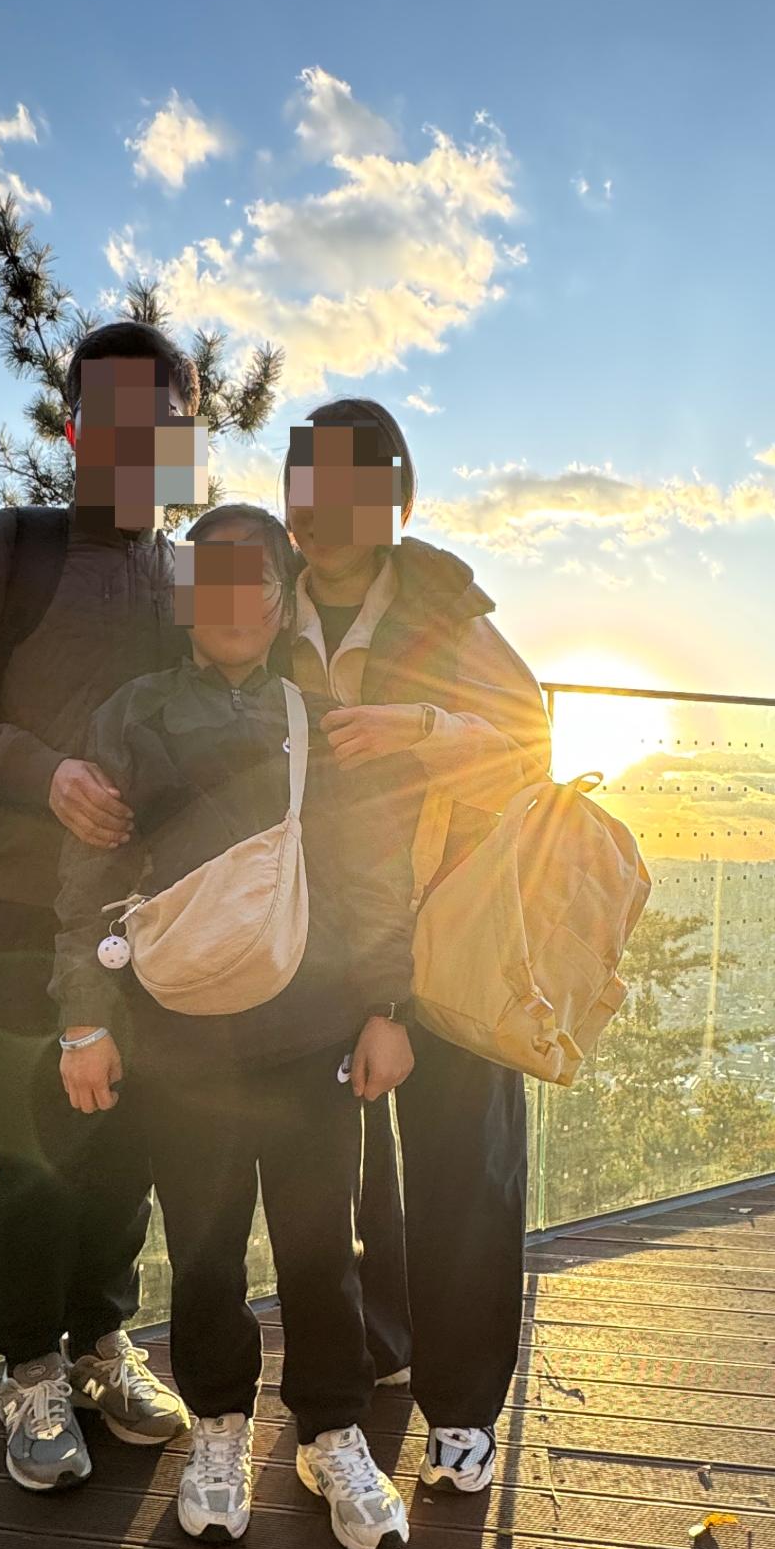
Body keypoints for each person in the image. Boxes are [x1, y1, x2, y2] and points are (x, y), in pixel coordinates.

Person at [53, 505, 416, 1549]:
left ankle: (332, 1431)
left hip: (311, 1029)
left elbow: (370, 869)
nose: (231, 601)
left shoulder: (319, 720)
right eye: (208, 579)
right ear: (183, 599)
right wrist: (83, 1019)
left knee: (322, 1242)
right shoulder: (133, 714)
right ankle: (217, 1423)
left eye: (252, 579)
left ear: (279, 597)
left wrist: (387, 1008)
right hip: (179, 1036)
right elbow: (89, 874)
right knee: (203, 1244)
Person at [0, 320, 208, 1492]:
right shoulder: (6, 550)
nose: (136, 440)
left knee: (133, 1134)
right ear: (74, 430)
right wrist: (42, 773)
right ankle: (30, 1369)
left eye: (162, 421)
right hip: (29, 902)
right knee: (32, 1139)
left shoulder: (192, 574)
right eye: (112, 418)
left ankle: (101, 1346)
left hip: (163, 915)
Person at [282, 398, 551, 1494]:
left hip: (449, 927)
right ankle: (380, 1341)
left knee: (462, 1163)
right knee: (338, 1163)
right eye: (304, 484)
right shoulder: (263, 599)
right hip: (312, 932)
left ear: (395, 502)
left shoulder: (444, 613)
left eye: (347, 489)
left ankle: (465, 1404)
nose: (319, 511)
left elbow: (532, 749)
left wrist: (423, 730)